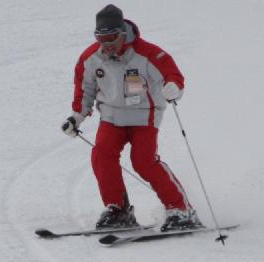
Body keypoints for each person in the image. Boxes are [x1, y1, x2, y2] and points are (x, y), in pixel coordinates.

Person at [61, 4, 202, 231]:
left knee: (143, 161)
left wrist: (173, 87)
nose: (107, 44)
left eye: (112, 37)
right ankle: (118, 210)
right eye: (101, 38)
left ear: (122, 33)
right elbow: (84, 90)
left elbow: (172, 74)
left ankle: (181, 210)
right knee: (101, 156)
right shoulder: (91, 58)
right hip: (111, 117)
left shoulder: (147, 53)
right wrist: (76, 118)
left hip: (144, 115)